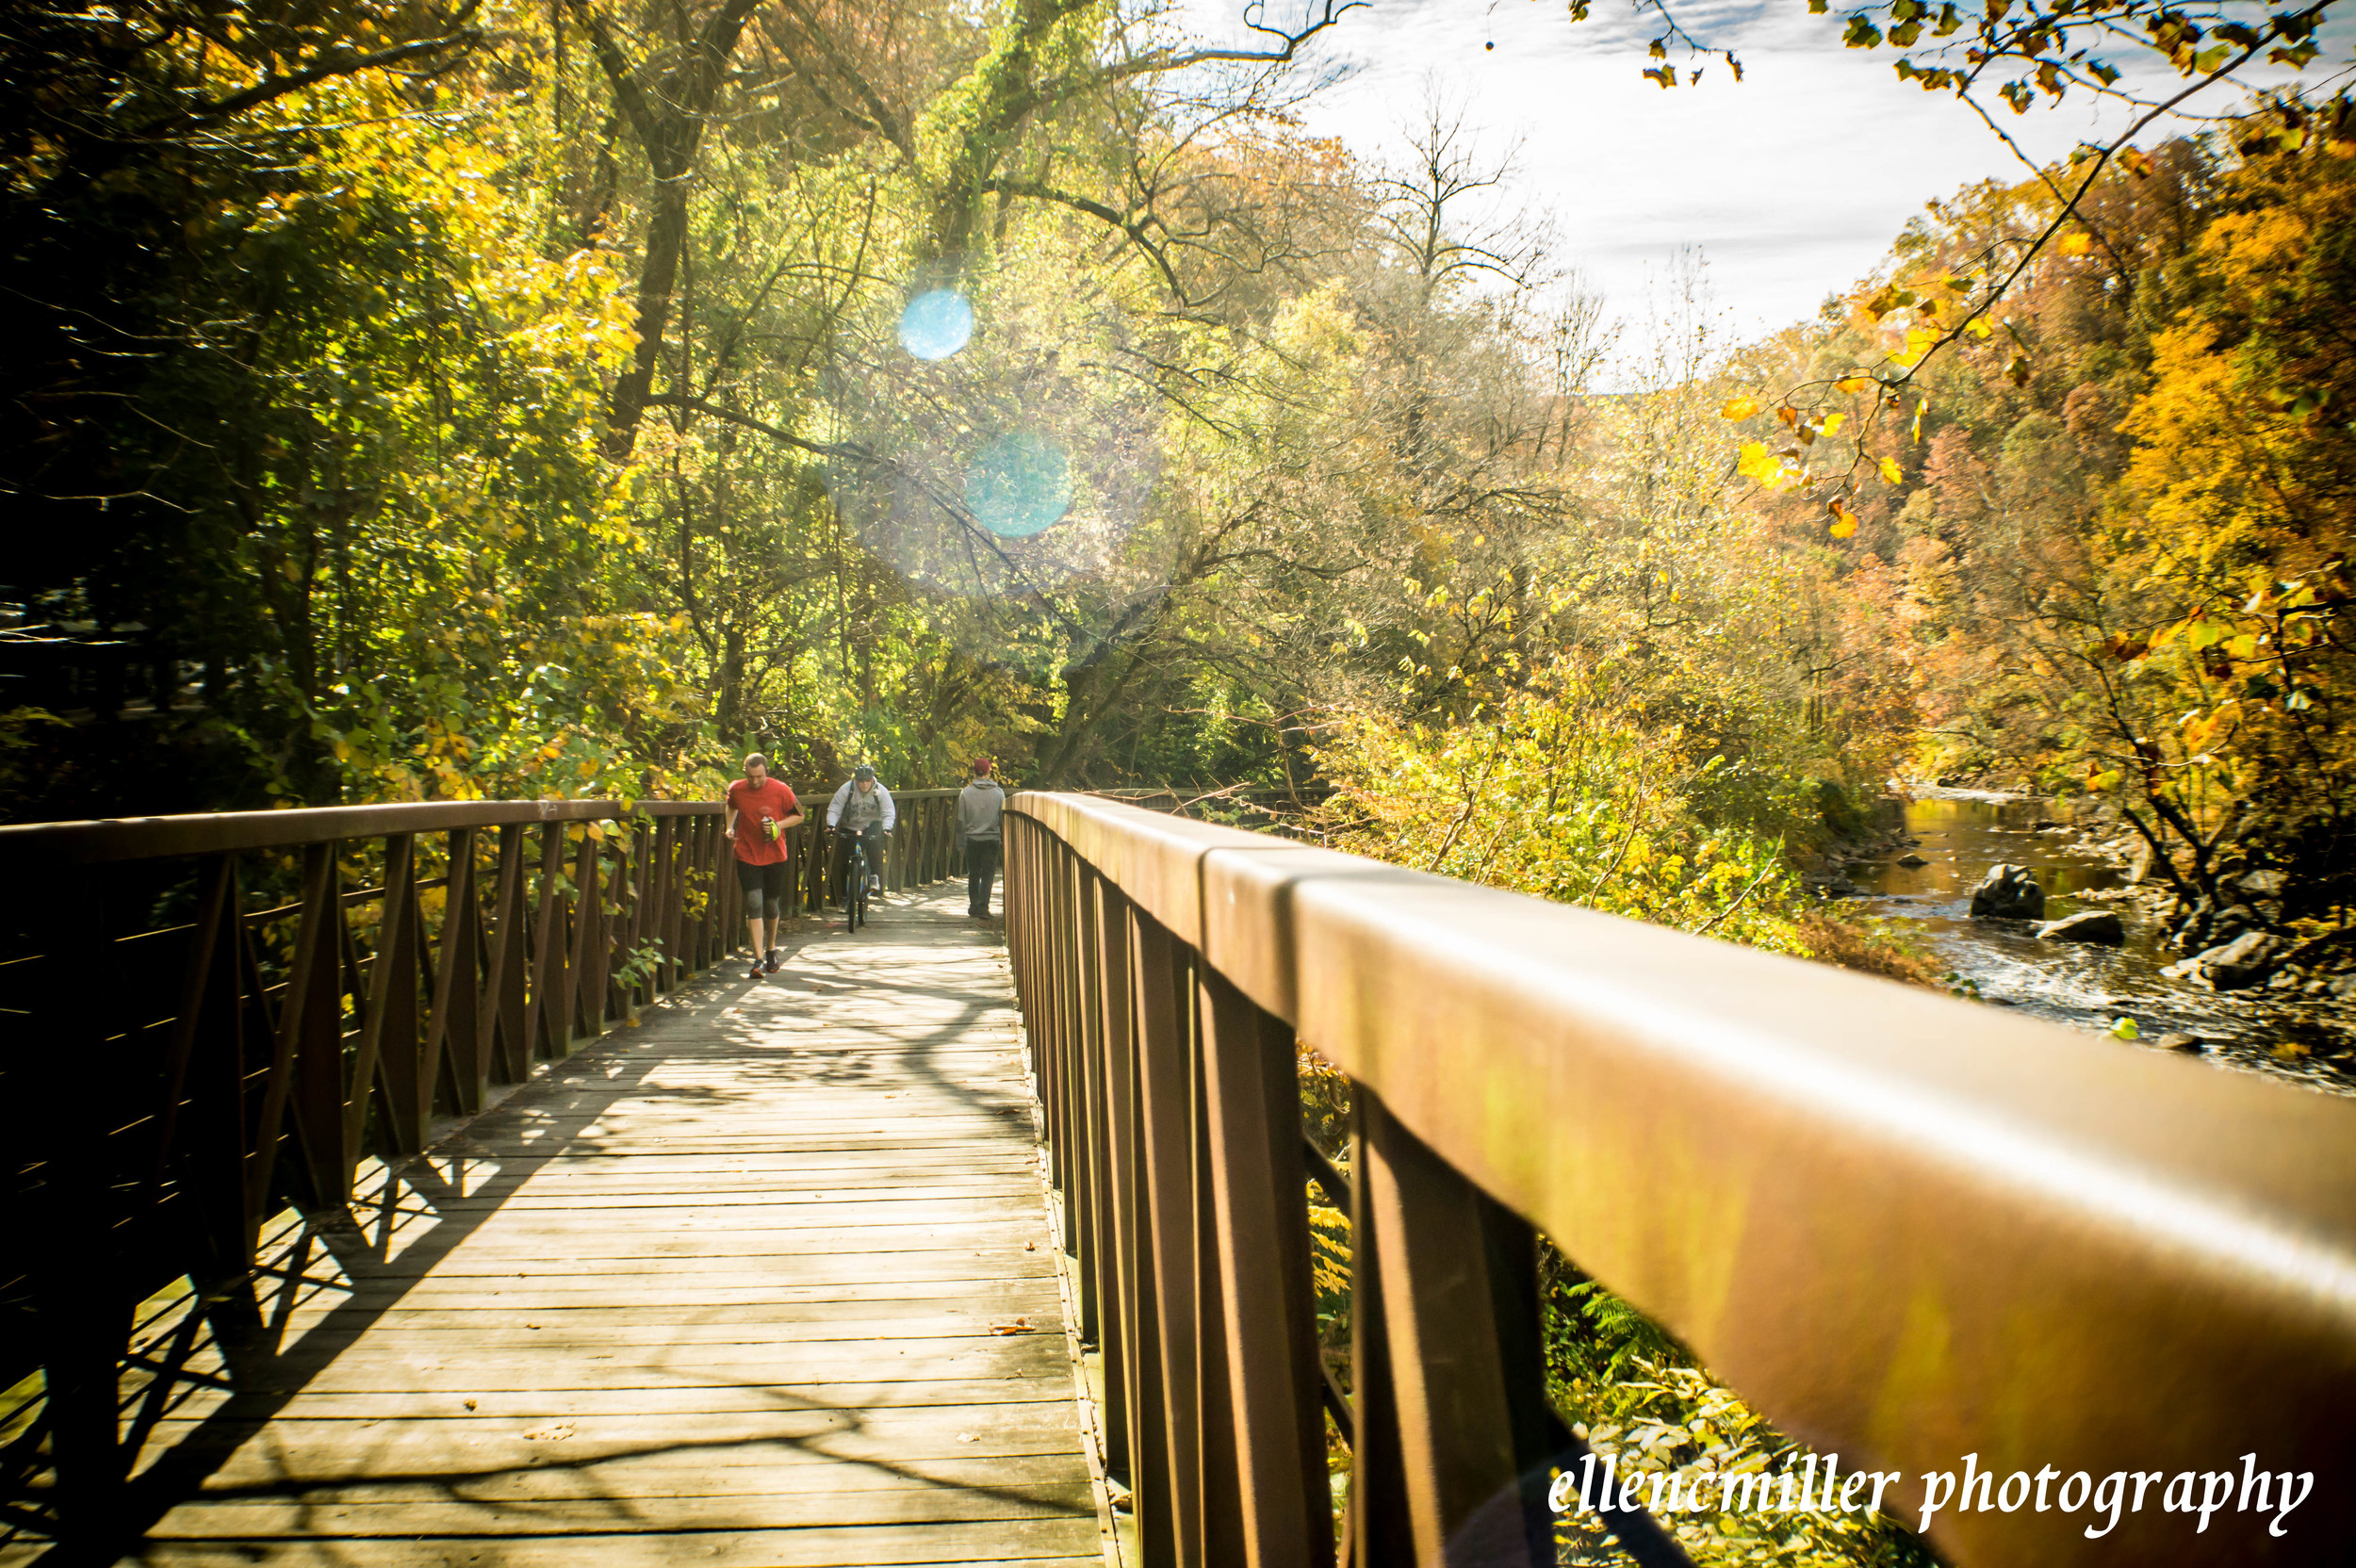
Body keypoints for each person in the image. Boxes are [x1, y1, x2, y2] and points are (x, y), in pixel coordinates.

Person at [724, 753, 803, 979]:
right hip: (746, 853)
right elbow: (730, 806)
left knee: (770, 906)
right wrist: (730, 827)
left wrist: (778, 824)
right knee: (754, 902)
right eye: (750, 777)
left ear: (766, 771)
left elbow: (799, 815)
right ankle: (757, 959)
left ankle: (771, 949)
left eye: (759, 776)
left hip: (775, 855)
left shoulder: (781, 790)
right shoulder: (737, 789)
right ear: (744, 772)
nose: (755, 781)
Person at [826, 763, 895, 914]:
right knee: (842, 862)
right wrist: (831, 825)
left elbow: (888, 811)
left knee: (875, 846)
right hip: (849, 825)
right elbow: (835, 808)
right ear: (856, 779)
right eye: (860, 780)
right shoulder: (846, 789)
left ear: (872, 779)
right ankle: (845, 898)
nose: (864, 783)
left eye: (867, 780)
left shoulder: (880, 791)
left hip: (871, 824)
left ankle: (874, 877)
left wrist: (887, 828)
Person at [958, 756, 1005, 918]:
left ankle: (974, 905)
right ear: (988, 771)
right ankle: (984, 907)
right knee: (988, 874)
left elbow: (960, 820)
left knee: (974, 873)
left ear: (974, 772)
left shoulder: (965, 793)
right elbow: (1002, 818)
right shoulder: (999, 793)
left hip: (972, 839)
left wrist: (960, 843)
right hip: (992, 839)